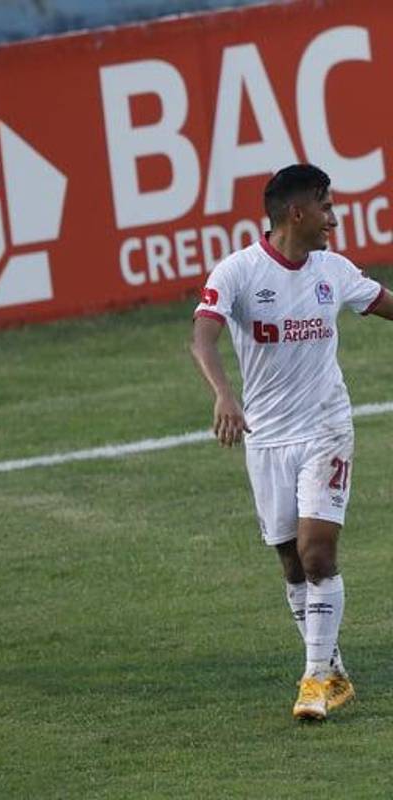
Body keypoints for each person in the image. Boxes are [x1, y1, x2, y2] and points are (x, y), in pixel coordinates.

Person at [190, 163, 393, 720]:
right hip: (268, 438)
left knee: (317, 551)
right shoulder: (238, 272)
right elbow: (202, 337)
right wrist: (224, 394)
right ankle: (333, 669)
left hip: (327, 428)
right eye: (326, 207)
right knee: (290, 563)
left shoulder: (335, 270)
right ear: (296, 212)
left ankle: (312, 679)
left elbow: (386, 303)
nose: (333, 218)